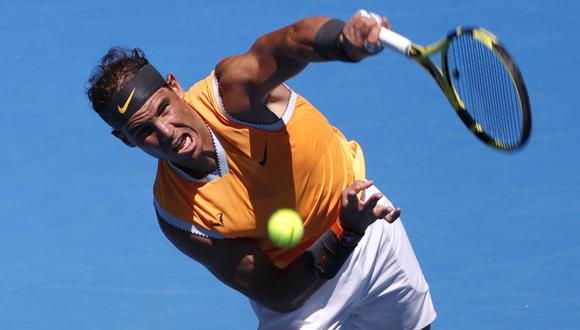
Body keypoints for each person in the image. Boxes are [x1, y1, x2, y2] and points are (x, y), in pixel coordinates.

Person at [87, 9, 436, 329]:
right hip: (306, 285)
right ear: (126, 140)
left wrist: (344, 42)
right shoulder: (178, 214)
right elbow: (278, 293)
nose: (165, 133)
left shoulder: (232, 93)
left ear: (175, 87)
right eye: (143, 130)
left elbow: (292, 42)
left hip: (369, 224)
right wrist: (345, 230)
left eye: (163, 109)